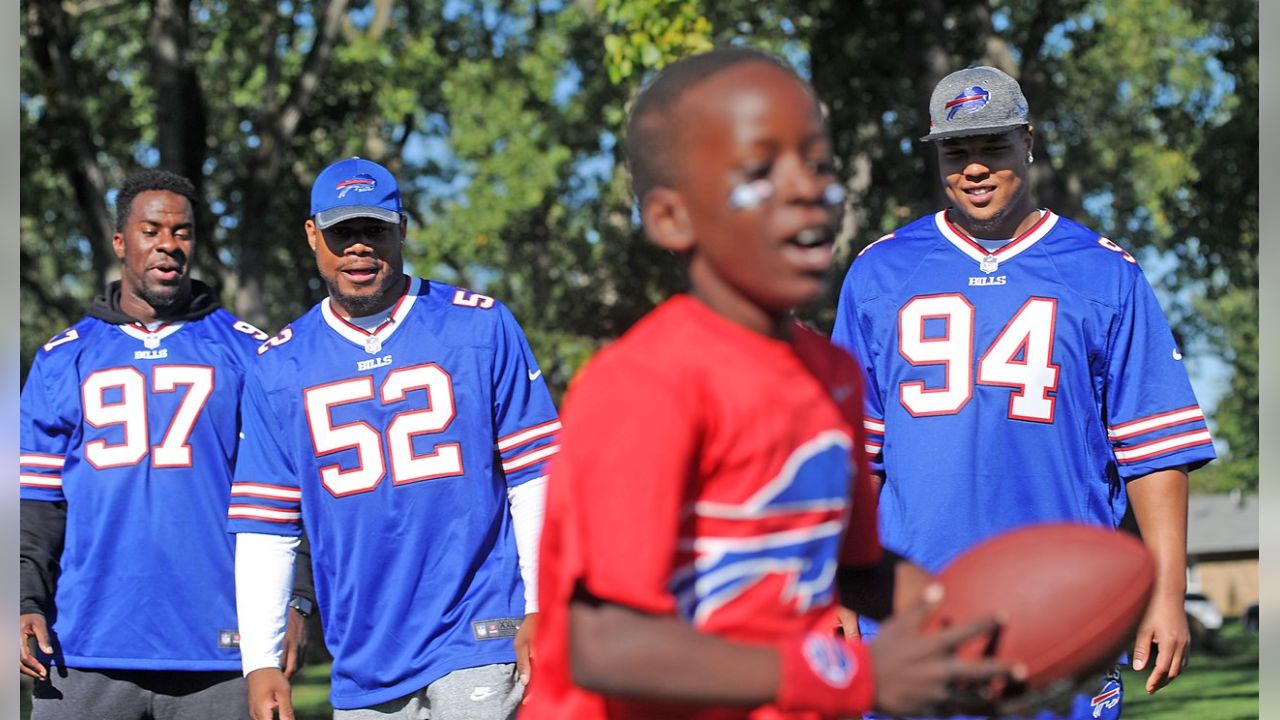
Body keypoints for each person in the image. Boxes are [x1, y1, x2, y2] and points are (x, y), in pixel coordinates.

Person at [524, 47, 1019, 720]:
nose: (804, 190)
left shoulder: (833, 376)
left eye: (816, 165)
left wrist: (969, 618)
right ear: (672, 217)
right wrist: (848, 677)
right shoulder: (642, 386)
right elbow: (605, 645)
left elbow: (852, 566)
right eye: (758, 174)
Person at [831, 65, 1218, 720]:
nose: (975, 168)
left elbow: (1154, 450)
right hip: (905, 612)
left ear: (1029, 142)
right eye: (957, 151)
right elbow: (855, 457)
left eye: (993, 147)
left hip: (1063, 607)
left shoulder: (1103, 271)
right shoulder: (880, 271)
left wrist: (1167, 591)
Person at [228, 156, 558, 720]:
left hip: (481, 625)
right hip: (364, 649)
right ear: (312, 235)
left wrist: (543, 603)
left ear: (401, 229)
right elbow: (266, 524)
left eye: (373, 229)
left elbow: (537, 476)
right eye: (342, 233)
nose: (359, 247)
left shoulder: (479, 327)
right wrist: (259, 661)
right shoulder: (279, 365)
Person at [18, 169, 312, 719]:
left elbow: (291, 488)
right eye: (152, 230)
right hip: (85, 648)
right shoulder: (62, 357)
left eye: (182, 232)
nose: (169, 246)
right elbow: (35, 503)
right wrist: (22, 598)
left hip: (222, 650)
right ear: (120, 241)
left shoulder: (248, 352)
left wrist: (295, 597)